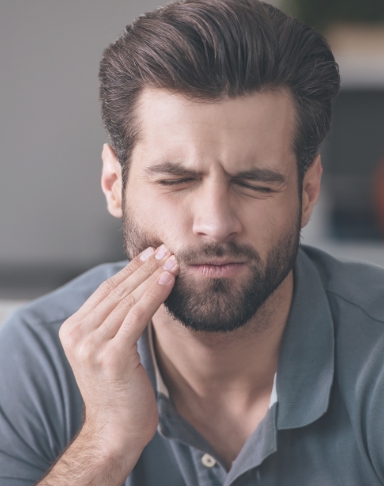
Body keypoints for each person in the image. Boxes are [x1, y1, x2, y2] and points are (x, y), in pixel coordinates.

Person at [1, 0, 384, 484]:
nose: (216, 223)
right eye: (176, 180)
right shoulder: (36, 358)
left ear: (308, 193)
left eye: (255, 183)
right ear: (113, 185)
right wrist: (106, 445)